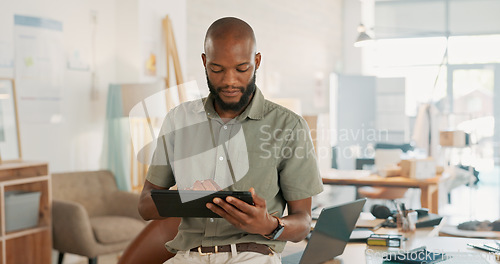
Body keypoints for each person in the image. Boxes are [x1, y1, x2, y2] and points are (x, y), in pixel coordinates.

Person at [138, 17, 323, 264]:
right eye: (217, 69)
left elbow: (302, 224)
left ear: (257, 62)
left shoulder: (288, 126)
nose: (229, 81)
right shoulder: (179, 120)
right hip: (187, 256)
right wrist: (186, 198)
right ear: (204, 62)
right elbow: (145, 206)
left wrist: (269, 224)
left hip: (252, 255)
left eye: (241, 68)